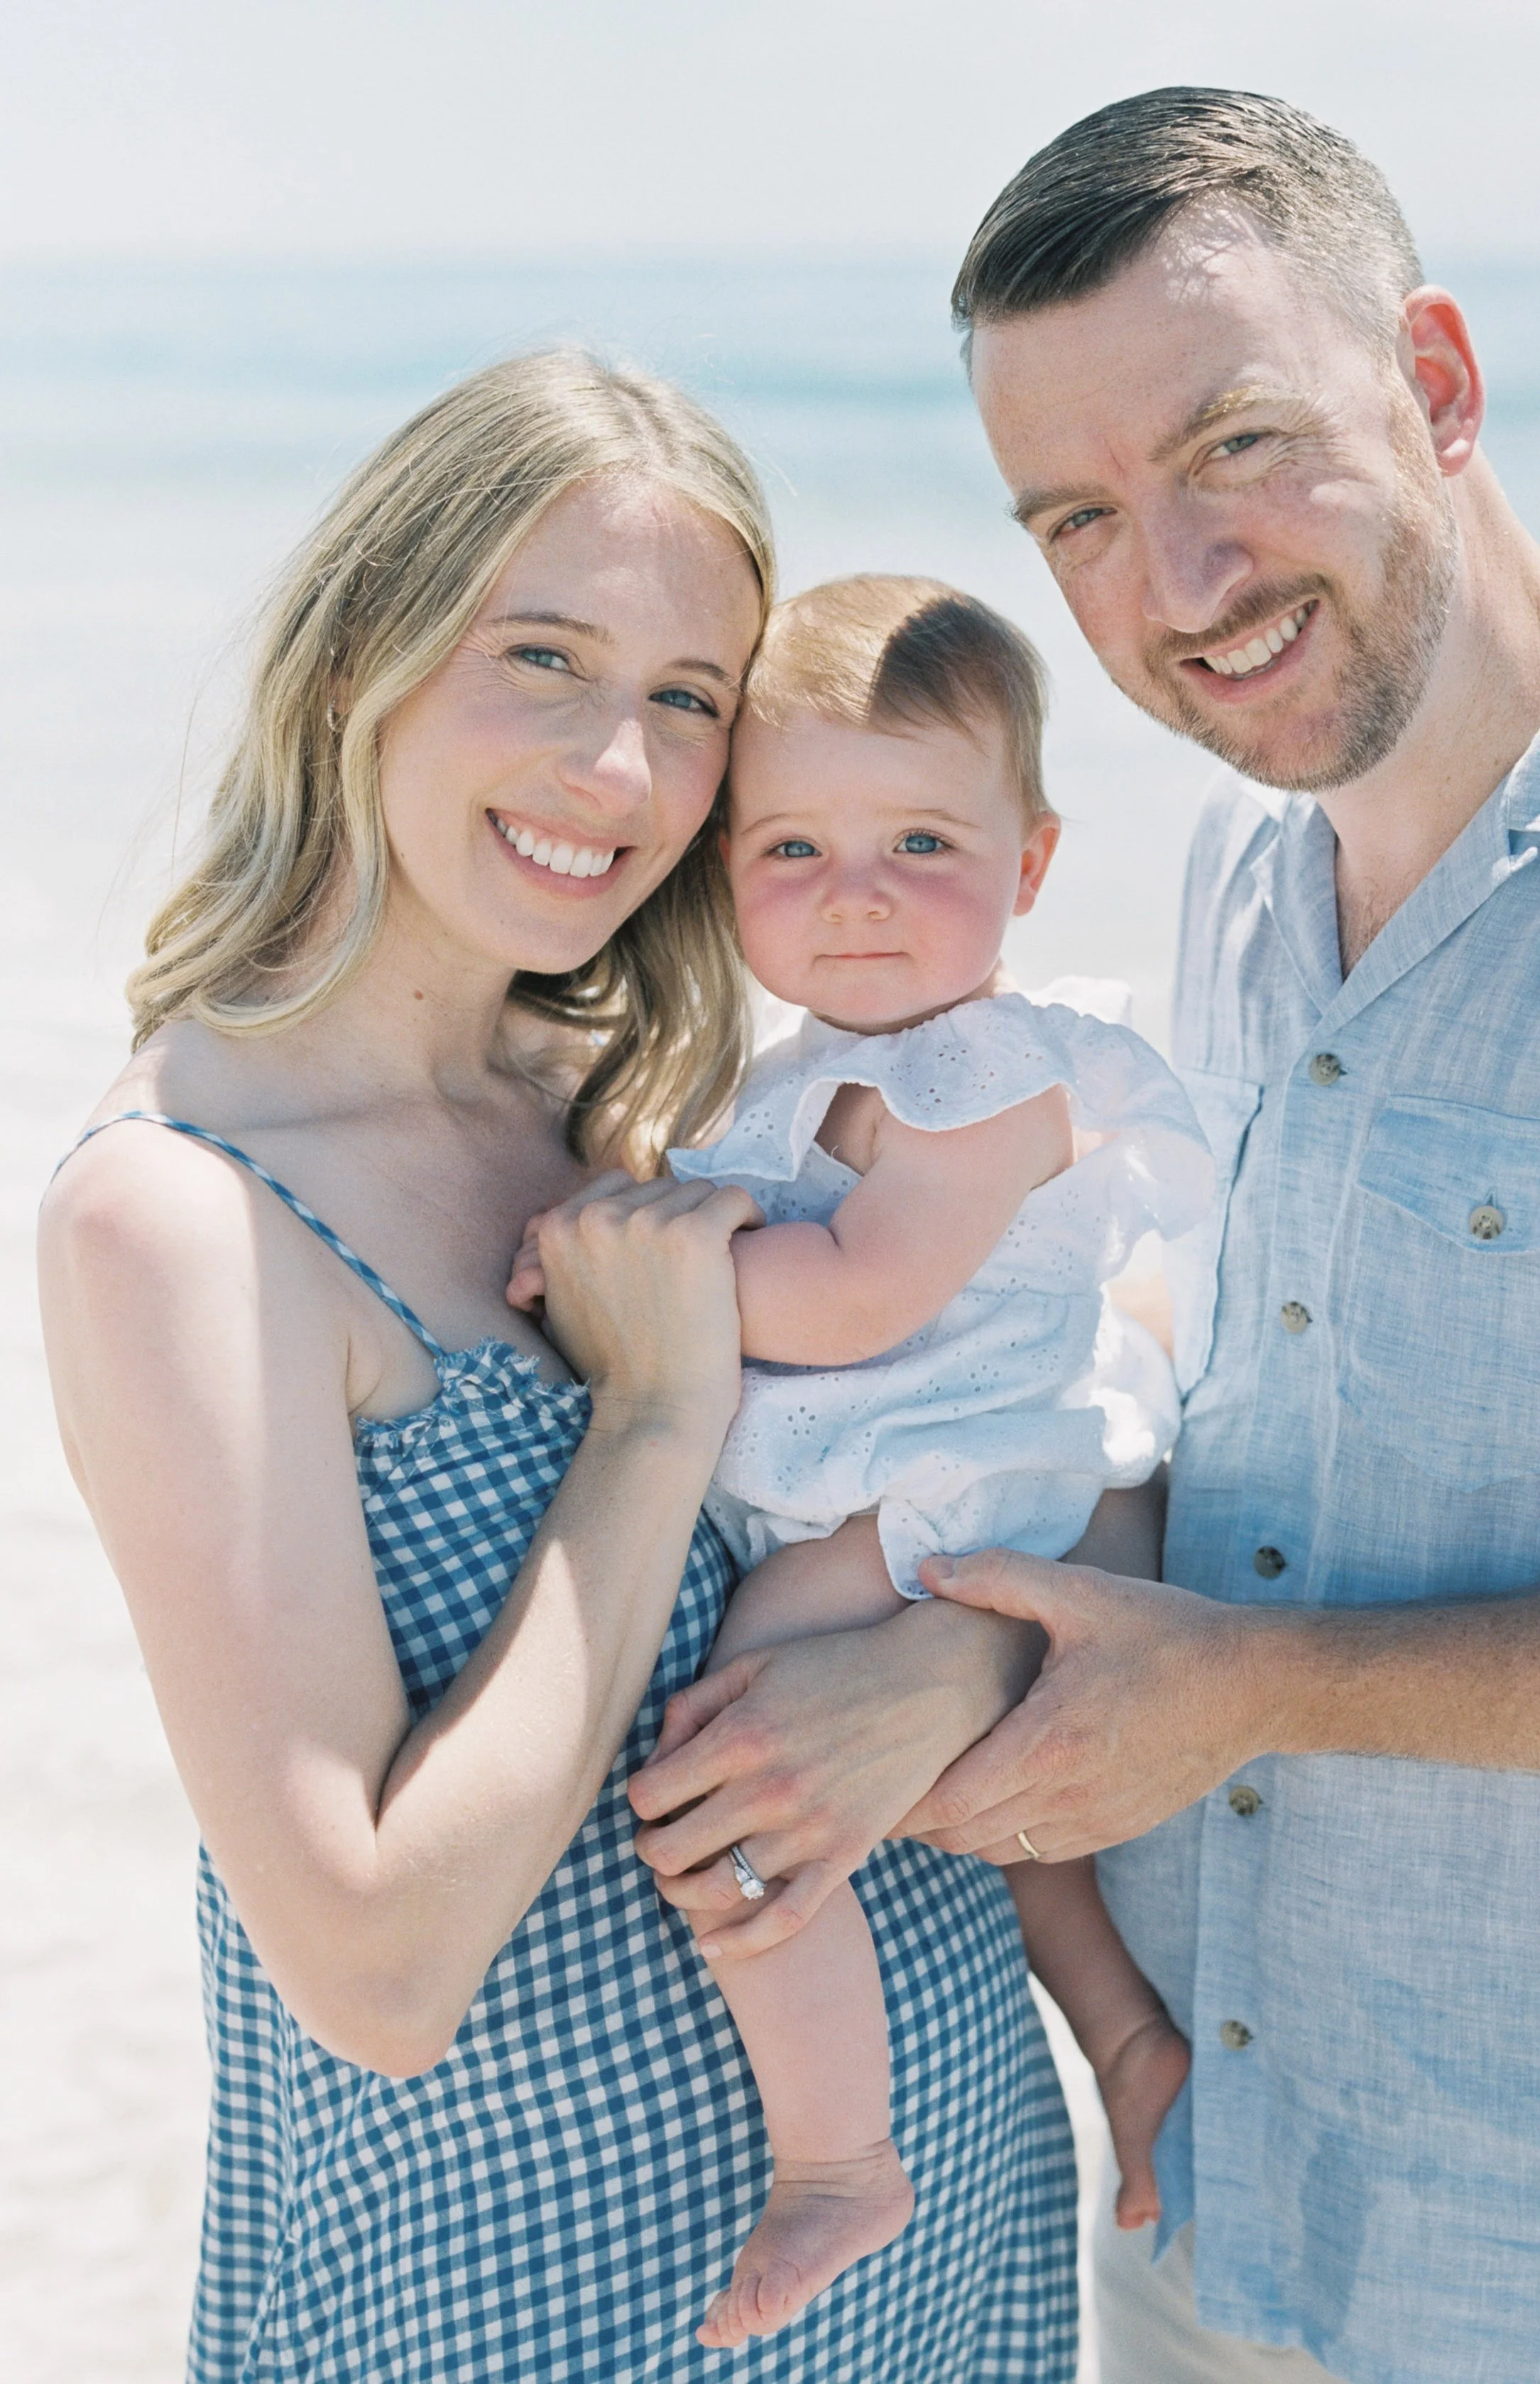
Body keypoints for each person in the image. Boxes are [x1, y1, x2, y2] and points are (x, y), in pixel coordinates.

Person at [628, 87, 1540, 2384]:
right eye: (1077, 516)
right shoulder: (1246, 878)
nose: (1177, 582)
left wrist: (1258, 1690)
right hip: (1197, 2199)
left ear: (1434, 384)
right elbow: (1207, 1440)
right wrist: (974, 1642)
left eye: (1236, 444)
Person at [36, 351, 1078, 2382]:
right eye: (545, 657)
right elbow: (378, 1960)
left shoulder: (647, 1113)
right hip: (552, 2307)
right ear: (364, 656)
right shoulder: (179, 1214)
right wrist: (661, 1409)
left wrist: (946, 1667)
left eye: (688, 700)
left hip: (944, 2223)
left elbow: (1054, 1452)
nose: (618, 767)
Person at [513, 571, 1201, 2346]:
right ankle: (1121, 2027)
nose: (859, 897)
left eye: (917, 840)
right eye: (793, 852)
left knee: (741, 1733)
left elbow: (850, 1294)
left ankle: (836, 2153)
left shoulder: (983, 1073)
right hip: (916, 1475)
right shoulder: (816, 1066)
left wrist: (634, 1258)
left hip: (957, 1482)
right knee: (1016, 1820)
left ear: (1030, 863)